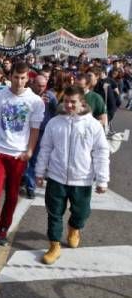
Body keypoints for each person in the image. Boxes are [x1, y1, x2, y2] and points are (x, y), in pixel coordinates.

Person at [35, 85, 110, 265]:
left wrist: (102, 179)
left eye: (73, 102)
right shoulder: (55, 123)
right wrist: (39, 172)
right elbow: (45, 149)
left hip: (82, 179)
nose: (69, 105)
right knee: (54, 214)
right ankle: (54, 246)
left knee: (82, 212)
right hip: (56, 177)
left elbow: (101, 152)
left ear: (82, 103)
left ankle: (74, 228)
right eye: (66, 101)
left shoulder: (93, 125)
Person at [0, 62, 45, 246]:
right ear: (11, 76)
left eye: (23, 78)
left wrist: (30, 150)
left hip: (18, 154)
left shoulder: (35, 101)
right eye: (16, 77)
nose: (19, 81)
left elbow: (34, 129)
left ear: (28, 78)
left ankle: (3, 228)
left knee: (13, 194)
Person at [22, 75, 58, 199]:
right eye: (39, 85)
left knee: (34, 159)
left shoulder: (50, 96)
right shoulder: (28, 95)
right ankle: (23, 177)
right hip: (26, 130)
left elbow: (58, 112)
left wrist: (51, 103)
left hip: (42, 132)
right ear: (33, 84)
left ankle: (30, 186)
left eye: (43, 86)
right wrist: (37, 101)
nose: (41, 88)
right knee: (23, 157)